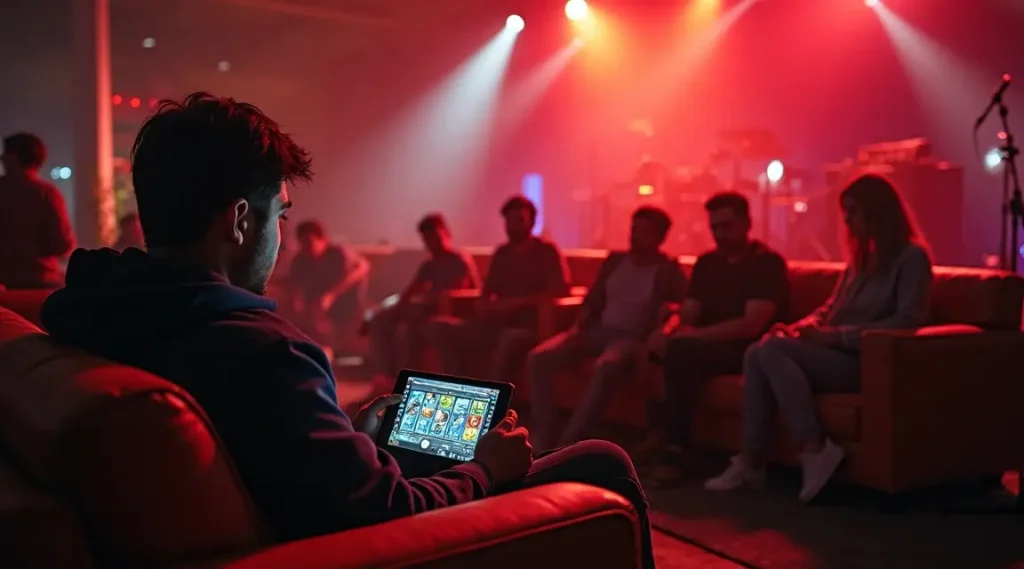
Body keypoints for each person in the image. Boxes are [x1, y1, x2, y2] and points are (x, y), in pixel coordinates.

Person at [38, 92, 655, 568]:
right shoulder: (261, 349)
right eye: (279, 213)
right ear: (240, 221)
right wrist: (487, 470)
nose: (280, 238)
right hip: (346, 548)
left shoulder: (94, 311)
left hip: (277, 516)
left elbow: (288, 453)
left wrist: (343, 434)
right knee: (601, 461)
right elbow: (384, 512)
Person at [705, 174, 933, 503]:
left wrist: (835, 337)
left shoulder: (911, 259)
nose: (846, 220)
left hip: (869, 360)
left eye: (853, 211)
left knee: (769, 351)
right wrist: (797, 329)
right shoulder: (860, 260)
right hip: (834, 353)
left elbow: (907, 321)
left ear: (876, 212)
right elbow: (830, 309)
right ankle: (752, 461)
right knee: (759, 351)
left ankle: (813, 447)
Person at [641, 192, 789, 484]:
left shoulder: (766, 263)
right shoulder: (707, 263)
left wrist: (691, 337)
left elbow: (752, 325)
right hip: (706, 345)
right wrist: (669, 331)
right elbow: (690, 312)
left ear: (747, 223)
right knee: (652, 348)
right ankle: (657, 434)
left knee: (682, 351)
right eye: (715, 228)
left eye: (727, 226)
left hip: (749, 349)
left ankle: (675, 449)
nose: (720, 235)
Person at [527, 206, 687, 451]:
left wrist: (663, 328)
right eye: (634, 229)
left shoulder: (668, 269)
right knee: (539, 358)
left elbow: (681, 307)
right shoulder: (615, 261)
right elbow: (592, 300)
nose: (635, 236)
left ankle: (567, 442)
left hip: (633, 339)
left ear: (660, 237)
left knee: (607, 365)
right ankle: (543, 432)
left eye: (645, 231)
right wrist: (576, 329)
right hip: (597, 330)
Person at [426, 196, 571, 384]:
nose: (513, 226)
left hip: (528, 327)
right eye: (509, 221)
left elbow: (560, 292)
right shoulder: (502, 253)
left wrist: (519, 303)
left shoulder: (547, 251)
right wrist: (484, 306)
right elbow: (486, 292)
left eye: (519, 220)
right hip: (495, 324)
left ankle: (491, 402)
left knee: (510, 340)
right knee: (439, 326)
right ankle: (459, 389)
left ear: (532, 222)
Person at [365, 213, 479, 385]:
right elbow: (411, 291)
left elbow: (455, 295)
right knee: (381, 322)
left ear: (446, 234)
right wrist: (391, 312)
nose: (432, 243)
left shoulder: (458, 260)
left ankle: (405, 383)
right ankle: (385, 377)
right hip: (428, 311)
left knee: (408, 332)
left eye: (435, 237)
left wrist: (422, 304)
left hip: (452, 314)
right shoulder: (430, 264)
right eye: (427, 239)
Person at [0, 132, 75, 289]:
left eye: (5, 153)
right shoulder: (46, 193)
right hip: (40, 282)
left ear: (13, 157)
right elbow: (62, 245)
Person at [289, 219, 370, 355]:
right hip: (316, 302)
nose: (306, 248)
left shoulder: (338, 253)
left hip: (347, 300)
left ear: (322, 240)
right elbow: (295, 285)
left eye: (309, 243)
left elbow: (363, 267)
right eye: (302, 244)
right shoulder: (300, 261)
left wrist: (331, 296)